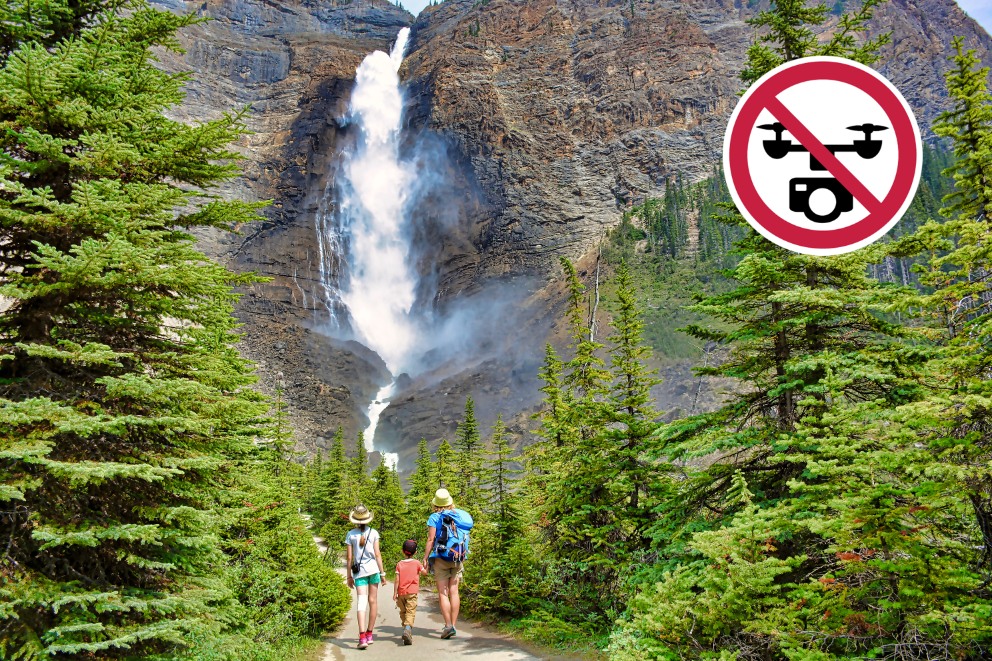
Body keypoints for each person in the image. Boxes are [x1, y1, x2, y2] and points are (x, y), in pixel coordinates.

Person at [421, 488, 471, 639]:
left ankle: (448, 625)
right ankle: (454, 625)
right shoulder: (458, 515)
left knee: (443, 593)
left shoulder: (434, 517)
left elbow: (431, 539)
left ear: (436, 503)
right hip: (457, 557)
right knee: (454, 592)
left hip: (441, 558)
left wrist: (425, 557)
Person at [344, 504, 386, 650]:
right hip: (373, 571)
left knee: (361, 602)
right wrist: (382, 574)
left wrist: (349, 576)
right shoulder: (374, 533)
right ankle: (369, 633)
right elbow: (377, 554)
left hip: (359, 572)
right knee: (373, 601)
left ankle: (362, 637)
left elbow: (349, 558)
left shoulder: (350, 535)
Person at [393, 539, 428, 645]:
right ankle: (407, 629)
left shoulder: (399, 564)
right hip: (412, 593)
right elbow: (425, 573)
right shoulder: (417, 563)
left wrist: (395, 593)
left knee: (403, 612)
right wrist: (427, 566)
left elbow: (397, 580)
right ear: (415, 552)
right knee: (410, 611)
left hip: (401, 593)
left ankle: (406, 629)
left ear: (403, 551)